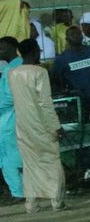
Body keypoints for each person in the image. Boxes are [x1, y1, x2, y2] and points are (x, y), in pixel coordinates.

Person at [9, 37, 64, 212]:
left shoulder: (12, 73)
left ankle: (31, 203)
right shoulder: (40, 72)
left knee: (30, 164)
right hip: (41, 124)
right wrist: (56, 126)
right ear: (34, 52)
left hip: (22, 125)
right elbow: (45, 102)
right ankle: (56, 200)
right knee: (52, 160)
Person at [0, 36, 20, 198]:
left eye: (2, 48)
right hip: (16, 116)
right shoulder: (20, 65)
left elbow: (9, 97)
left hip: (9, 117)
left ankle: (18, 192)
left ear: (13, 48)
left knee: (8, 157)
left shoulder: (11, 70)